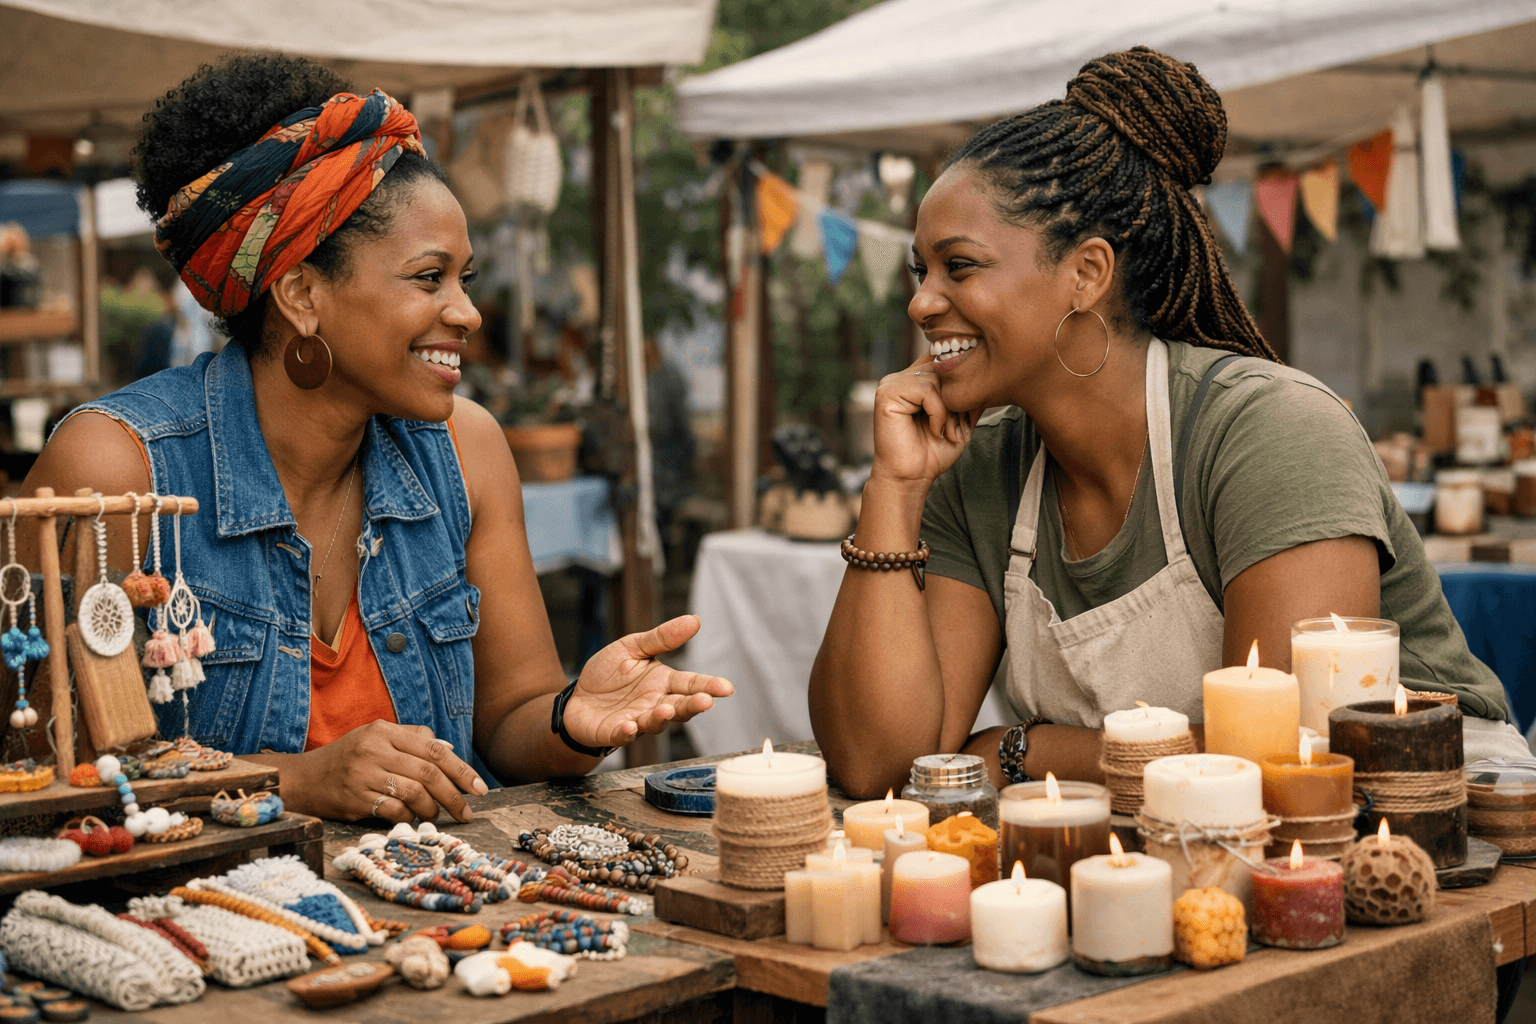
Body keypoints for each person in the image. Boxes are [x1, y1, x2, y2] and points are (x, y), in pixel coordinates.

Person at [20, 54, 732, 822]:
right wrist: (294, 781)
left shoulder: (467, 450)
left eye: (466, 278)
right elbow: (46, 764)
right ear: (301, 293)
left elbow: (510, 715)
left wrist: (572, 719)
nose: (467, 313)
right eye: (430, 278)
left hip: (438, 918)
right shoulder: (117, 470)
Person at [809, 47, 1526, 799]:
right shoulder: (979, 467)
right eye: (920, 272)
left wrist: (1029, 750)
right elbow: (879, 764)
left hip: (1441, 826)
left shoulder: (1269, 432)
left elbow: (1286, 758)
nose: (922, 304)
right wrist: (892, 489)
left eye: (959, 266)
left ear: (1086, 273)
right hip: (1174, 843)